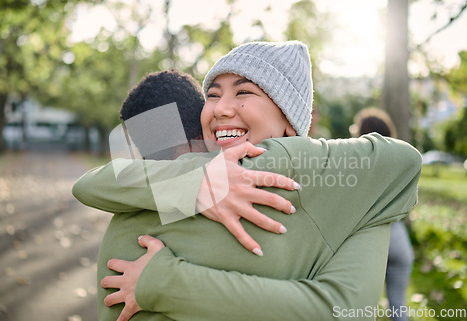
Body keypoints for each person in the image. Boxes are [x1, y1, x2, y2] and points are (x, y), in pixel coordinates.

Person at [73, 41, 422, 321]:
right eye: (212, 95)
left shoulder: (355, 188)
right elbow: (90, 184)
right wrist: (198, 184)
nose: (222, 107)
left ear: (290, 119)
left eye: (243, 92)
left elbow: (403, 161)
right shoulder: (187, 177)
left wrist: (166, 281)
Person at [351, 107, 414, 321]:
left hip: (371, 243)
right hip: (399, 241)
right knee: (398, 307)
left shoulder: (356, 165)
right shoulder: (401, 162)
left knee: (361, 310)